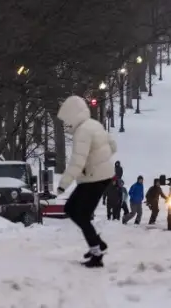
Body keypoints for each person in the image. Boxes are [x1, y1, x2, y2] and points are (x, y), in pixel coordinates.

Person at [56, 95, 117, 268]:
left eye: (66, 120)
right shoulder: (94, 124)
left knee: (80, 214)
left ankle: (96, 253)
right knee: (72, 209)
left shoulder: (82, 132)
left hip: (93, 178)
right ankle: (97, 243)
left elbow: (77, 161)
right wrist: (100, 161)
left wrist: (63, 184)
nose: (65, 125)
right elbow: (113, 146)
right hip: (99, 176)